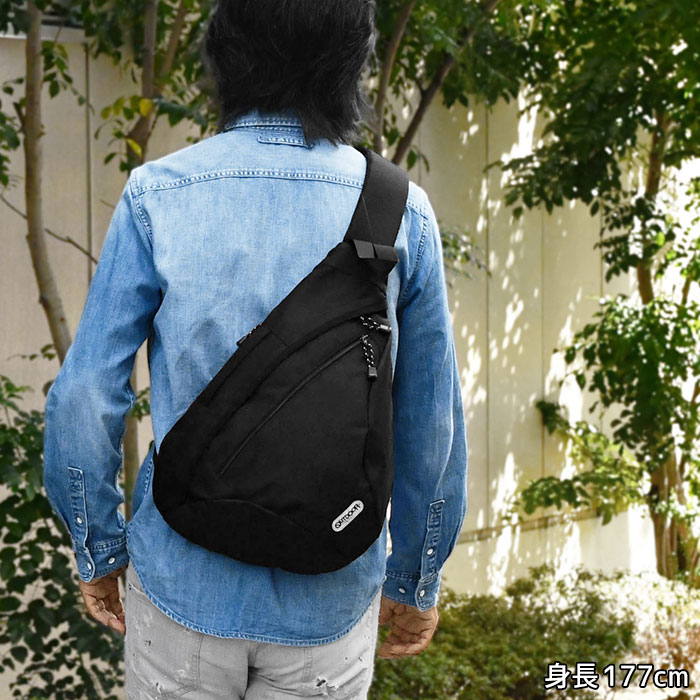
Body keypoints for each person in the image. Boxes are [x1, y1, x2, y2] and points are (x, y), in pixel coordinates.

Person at [42, 0, 469, 697]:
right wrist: (415, 578)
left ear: (225, 53)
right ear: (351, 61)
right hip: (329, 591)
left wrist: (98, 549)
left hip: (182, 582)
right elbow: (432, 424)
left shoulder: (161, 195)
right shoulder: (400, 210)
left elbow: (85, 396)